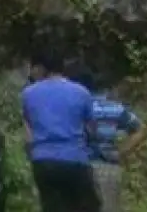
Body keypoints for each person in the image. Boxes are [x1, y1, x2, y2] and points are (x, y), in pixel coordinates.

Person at [22, 49, 100, 212]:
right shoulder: (81, 92)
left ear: (42, 68)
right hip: (75, 159)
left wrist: (33, 156)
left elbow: (28, 135)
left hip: (43, 160)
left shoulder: (28, 94)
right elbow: (92, 130)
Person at [79, 68, 145, 212]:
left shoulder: (78, 107)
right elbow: (139, 129)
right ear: (107, 89)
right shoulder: (116, 109)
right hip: (108, 164)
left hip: (80, 164)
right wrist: (121, 152)